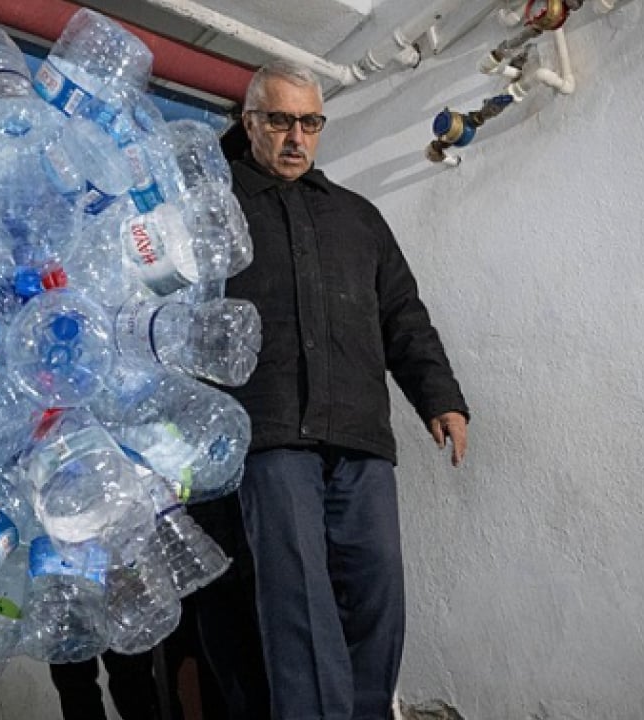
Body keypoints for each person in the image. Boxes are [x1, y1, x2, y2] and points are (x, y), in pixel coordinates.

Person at [202, 60, 472, 720]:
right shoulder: (212, 216)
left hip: (358, 434)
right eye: (280, 121)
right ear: (251, 122)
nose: (296, 137)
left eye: (310, 122)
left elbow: (401, 314)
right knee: (297, 601)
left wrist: (440, 397)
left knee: (376, 591)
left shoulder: (358, 218)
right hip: (269, 437)